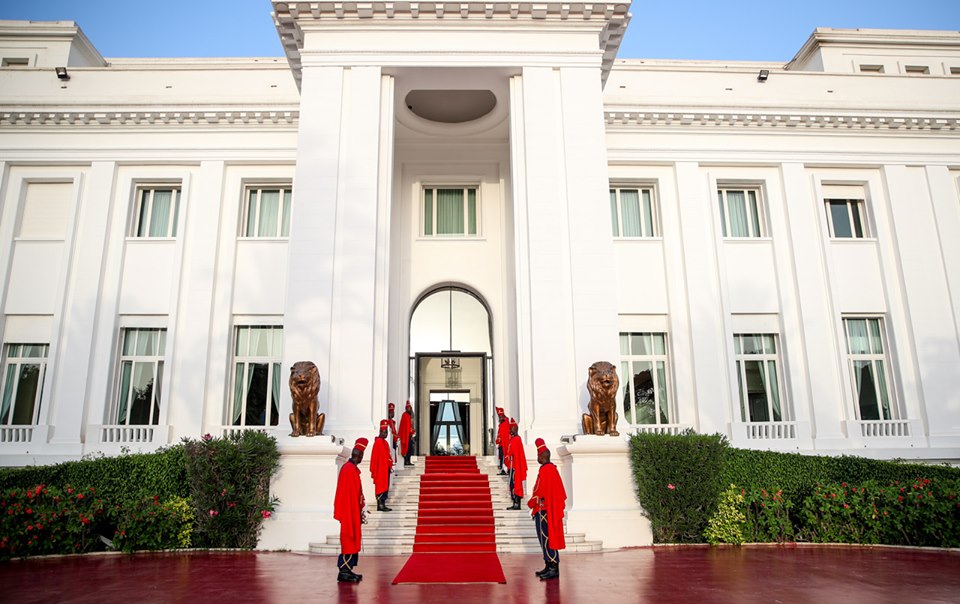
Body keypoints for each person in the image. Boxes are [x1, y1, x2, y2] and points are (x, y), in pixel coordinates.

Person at [528, 438, 566, 581]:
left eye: (538, 455)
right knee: (545, 538)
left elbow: (541, 491)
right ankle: (548, 564)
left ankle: (553, 568)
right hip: (545, 509)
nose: (537, 458)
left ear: (543, 456)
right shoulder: (550, 469)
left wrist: (532, 502)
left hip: (544, 511)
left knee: (547, 539)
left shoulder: (546, 470)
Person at [334, 438, 368, 583]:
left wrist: (361, 507)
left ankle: (348, 570)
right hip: (349, 511)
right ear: (358, 455)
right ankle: (344, 571)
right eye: (361, 455)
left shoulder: (350, 469)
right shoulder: (349, 470)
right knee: (349, 539)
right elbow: (349, 494)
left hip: (352, 509)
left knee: (351, 539)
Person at [370, 420, 394, 512]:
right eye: (385, 432)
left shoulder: (385, 443)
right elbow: (376, 458)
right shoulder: (378, 442)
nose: (386, 434)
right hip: (380, 469)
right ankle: (380, 504)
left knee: (385, 486)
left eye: (387, 432)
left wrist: (390, 463)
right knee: (381, 486)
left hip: (385, 468)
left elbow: (387, 455)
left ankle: (382, 503)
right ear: (380, 432)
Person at [504, 418, 526, 510]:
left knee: (514, 484)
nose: (509, 430)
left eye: (511, 428)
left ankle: (517, 503)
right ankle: (515, 502)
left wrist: (508, 457)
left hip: (515, 466)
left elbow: (513, 452)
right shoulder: (515, 439)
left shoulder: (515, 440)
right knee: (513, 484)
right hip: (514, 465)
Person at [398, 400, 416, 466]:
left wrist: (412, 431)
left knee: (411, 448)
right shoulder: (405, 415)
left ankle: (409, 460)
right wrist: (412, 431)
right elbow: (406, 427)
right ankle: (406, 461)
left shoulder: (408, 416)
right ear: (406, 408)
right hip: (406, 435)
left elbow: (409, 426)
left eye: (411, 408)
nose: (410, 410)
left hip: (409, 435)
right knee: (407, 448)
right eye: (409, 408)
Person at [495, 407, 509, 475]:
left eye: (500, 416)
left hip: (504, 443)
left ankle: (504, 469)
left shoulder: (506, 422)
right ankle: (502, 468)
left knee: (503, 456)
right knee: (501, 456)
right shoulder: (501, 424)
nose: (499, 418)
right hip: (501, 443)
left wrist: (499, 439)